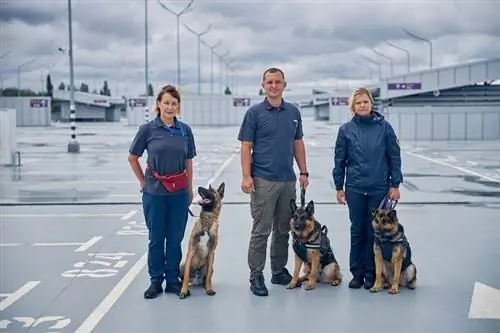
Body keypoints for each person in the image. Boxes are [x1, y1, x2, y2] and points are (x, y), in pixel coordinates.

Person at [238, 67, 310, 297]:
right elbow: (246, 146)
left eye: (277, 82)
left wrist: (304, 172)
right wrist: (246, 176)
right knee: (261, 230)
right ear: (263, 85)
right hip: (262, 180)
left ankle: (278, 271)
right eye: (269, 82)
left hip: (287, 180)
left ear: (284, 85)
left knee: (283, 230)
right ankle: (256, 276)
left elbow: (297, 143)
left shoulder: (293, 112)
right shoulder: (254, 113)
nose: (273, 86)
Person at [128, 85, 197, 299]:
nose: (169, 107)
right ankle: (155, 281)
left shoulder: (185, 130)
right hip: (154, 193)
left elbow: (188, 161)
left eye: (174, 104)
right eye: (166, 102)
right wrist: (143, 181)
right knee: (156, 238)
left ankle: (173, 280)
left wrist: (190, 188)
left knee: (175, 239)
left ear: (178, 107)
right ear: (158, 104)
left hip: (178, 193)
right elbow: (133, 157)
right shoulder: (147, 130)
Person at [332, 87, 403, 290]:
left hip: (378, 189)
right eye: (358, 102)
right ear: (353, 106)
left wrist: (395, 184)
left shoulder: (385, 128)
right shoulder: (345, 130)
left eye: (365, 101)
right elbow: (340, 160)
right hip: (354, 188)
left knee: (375, 233)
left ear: (371, 103)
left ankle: (372, 273)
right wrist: (339, 186)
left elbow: (394, 157)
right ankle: (357, 273)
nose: (362, 105)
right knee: (357, 230)